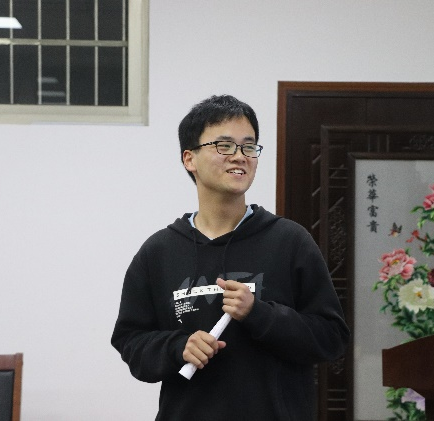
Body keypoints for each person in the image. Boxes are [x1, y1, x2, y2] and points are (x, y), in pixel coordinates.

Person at [111, 95, 349, 420]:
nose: (239, 156)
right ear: (189, 159)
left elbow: (332, 338)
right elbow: (131, 341)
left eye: (249, 147)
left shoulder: (290, 241)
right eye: (224, 145)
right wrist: (178, 347)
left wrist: (259, 314)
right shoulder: (158, 252)